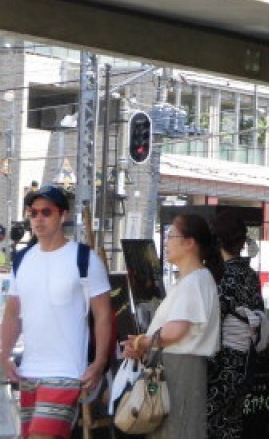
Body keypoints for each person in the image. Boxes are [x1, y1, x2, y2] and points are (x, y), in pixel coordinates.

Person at [0, 185, 113, 439]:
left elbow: (104, 315)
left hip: (66, 372)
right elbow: (12, 313)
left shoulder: (84, 259)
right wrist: (4, 354)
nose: (38, 218)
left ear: (63, 215)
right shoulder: (22, 260)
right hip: (29, 371)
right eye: (33, 212)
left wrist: (99, 362)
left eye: (46, 212)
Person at [127, 213, 223, 439]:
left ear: (190, 243)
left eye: (171, 236)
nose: (166, 242)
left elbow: (174, 332)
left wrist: (142, 342)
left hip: (179, 368)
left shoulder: (194, 281)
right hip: (179, 366)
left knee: (176, 431)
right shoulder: (195, 279)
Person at [207, 211, 264, 439]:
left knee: (211, 422)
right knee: (232, 424)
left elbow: (213, 320)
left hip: (224, 362)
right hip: (246, 359)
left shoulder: (223, 276)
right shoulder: (249, 274)